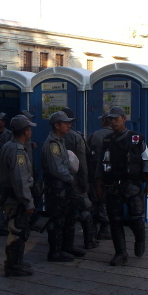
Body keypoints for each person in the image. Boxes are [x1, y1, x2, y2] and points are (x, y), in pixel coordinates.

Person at [95, 106, 148, 266]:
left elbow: (146, 159)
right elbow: (101, 162)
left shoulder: (137, 138)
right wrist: (99, 183)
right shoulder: (107, 141)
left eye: (116, 119)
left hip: (132, 185)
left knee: (135, 218)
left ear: (123, 119)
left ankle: (140, 240)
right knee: (115, 220)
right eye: (110, 119)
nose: (113, 122)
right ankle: (120, 252)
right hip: (113, 185)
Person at [41, 111, 82, 262]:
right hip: (57, 187)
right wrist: (70, 179)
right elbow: (56, 169)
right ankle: (55, 251)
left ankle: (67, 247)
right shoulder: (52, 145)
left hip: (64, 187)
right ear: (57, 126)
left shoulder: (60, 141)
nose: (69, 125)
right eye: (66, 123)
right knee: (57, 219)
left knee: (69, 217)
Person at [0, 115, 36, 277]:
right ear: (26, 131)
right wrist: (28, 202)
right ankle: (13, 265)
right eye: (30, 129)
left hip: (10, 195)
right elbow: (20, 179)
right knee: (18, 230)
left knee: (16, 229)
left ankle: (15, 261)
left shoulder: (8, 146)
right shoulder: (17, 151)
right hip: (16, 198)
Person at [61, 107, 95, 250]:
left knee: (65, 210)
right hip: (76, 179)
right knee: (85, 207)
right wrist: (84, 180)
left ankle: (65, 241)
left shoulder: (54, 136)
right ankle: (89, 240)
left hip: (61, 180)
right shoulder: (76, 137)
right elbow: (82, 160)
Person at [86, 112, 112, 240]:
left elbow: (87, 155)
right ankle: (105, 229)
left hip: (94, 175)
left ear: (104, 121)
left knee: (95, 202)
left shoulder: (94, 135)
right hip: (111, 176)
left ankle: (92, 230)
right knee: (108, 202)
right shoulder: (118, 135)